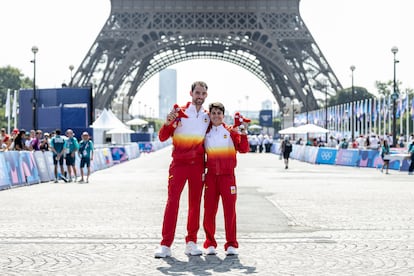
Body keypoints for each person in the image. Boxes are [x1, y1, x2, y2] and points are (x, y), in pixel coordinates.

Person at [154, 81, 210, 258]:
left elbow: (219, 134)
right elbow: (162, 137)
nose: (199, 96)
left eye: (203, 94)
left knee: (195, 204)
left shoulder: (207, 117)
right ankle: (165, 244)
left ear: (206, 96)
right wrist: (168, 123)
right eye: (197, 93)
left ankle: (191, 242)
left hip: (197, 166)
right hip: (178, 165)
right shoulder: (179, 113)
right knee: (172, 202)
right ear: (191, 93)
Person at [202, 102, 249, 256]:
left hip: (228, 177)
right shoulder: (205, 133)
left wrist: (243, 132)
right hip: (211, 177)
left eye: (219, 113)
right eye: (213, 113)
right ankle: (210, 243)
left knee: (230, 211)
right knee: (209, 211)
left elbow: (243, 149)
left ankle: (231, 243)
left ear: (223, 115)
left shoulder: (230, 131)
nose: (216, 116)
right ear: (210, 115)